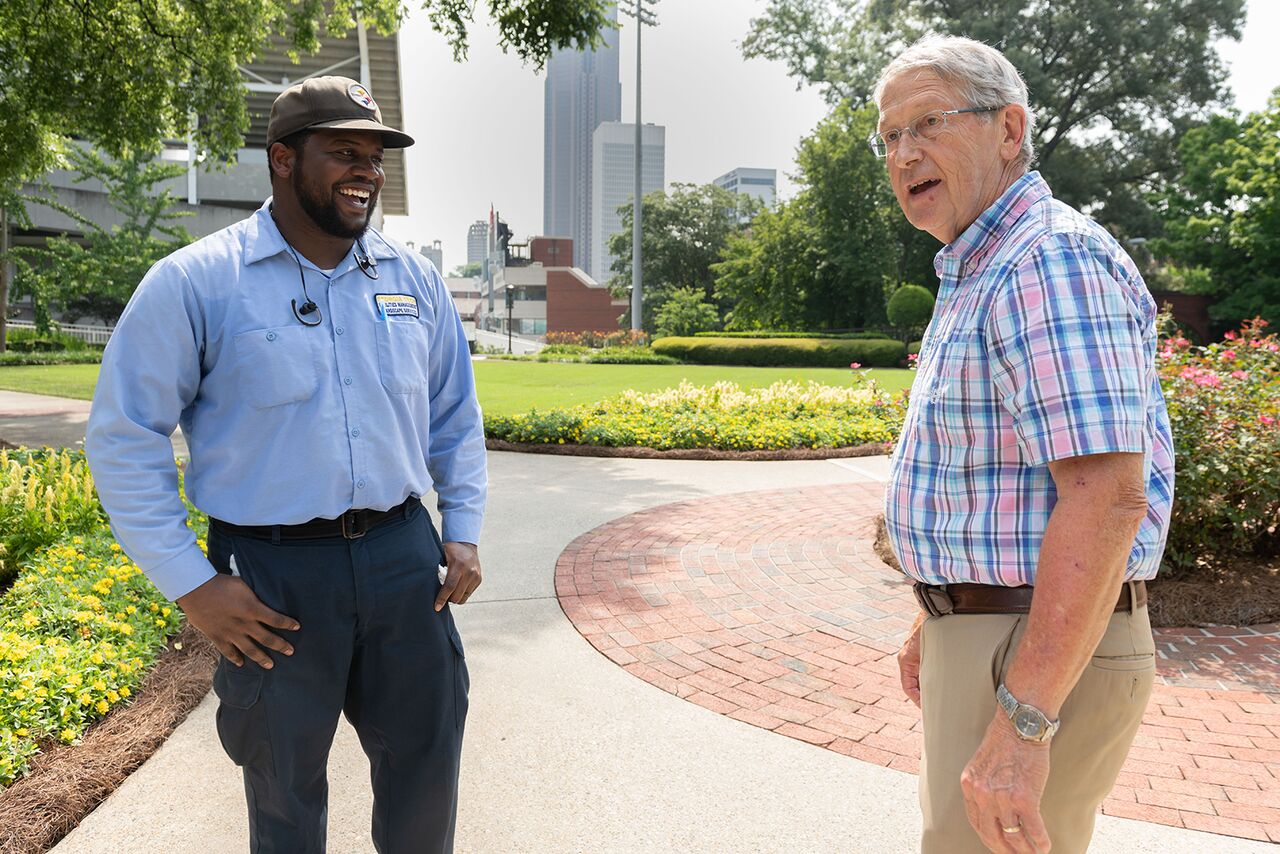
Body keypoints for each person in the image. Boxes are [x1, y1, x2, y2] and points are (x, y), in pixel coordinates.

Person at [85, 75, 486, 853]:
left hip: (405, 563)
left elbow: (453, 417)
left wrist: (462, 527)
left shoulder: (414, 281)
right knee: (284, 793)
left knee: (426, 775)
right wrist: (193, 585)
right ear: (281, 159)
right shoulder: (197, 282)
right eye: (343, 152)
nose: (365, 171)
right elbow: (124, 436)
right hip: (272, 578)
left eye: (374, 155)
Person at [874, 36, 1175, 854]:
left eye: (927, 122)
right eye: (889, 136)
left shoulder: (1046, 258)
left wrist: (1024, 723)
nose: (904, 153)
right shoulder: (986, 264)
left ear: (1010, 129)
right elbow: (996, 482)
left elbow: (1108, 496)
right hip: (995, 636)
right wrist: (942, 609)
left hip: (1028, 658)